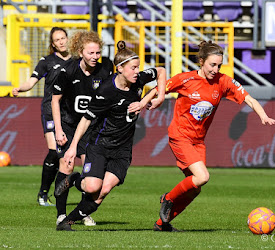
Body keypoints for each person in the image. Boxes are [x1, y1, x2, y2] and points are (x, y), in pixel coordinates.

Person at [152, 40, 275, 232]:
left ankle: (162, 224)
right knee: (202, 176)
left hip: (198, 141)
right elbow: (158, 89)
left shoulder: (223, 81)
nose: (216, 69)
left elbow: (249, 98)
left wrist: (263, 115)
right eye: (212, 64)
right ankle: (167, 198)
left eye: (219, 65)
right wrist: (148, 100)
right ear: (201, 61)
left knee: (195, 187)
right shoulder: (185, 79)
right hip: (180, 136)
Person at [54, 40, 166, 231]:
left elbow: (162, 71)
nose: (137, 71)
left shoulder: (138, 79)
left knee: (102, 191)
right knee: (91, 188)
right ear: (120, 68)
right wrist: (72, 147)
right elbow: (86, 119)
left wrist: (155, 97)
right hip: (100, 144)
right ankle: (74, 180)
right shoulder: (106, 91)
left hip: (122, 149)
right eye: (133, 68)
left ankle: (67, 223)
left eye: (138, 67)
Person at [51, 30, 113, 227]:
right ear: (80, 52)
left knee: (90, 175)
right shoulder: (67, 71)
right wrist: (58, 130)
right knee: (66, 165)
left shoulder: (105, 70)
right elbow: (55, 100)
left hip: (93, 130)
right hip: (69, 126)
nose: (95, 57)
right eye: (90, 53)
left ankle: (82, 212)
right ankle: (61, 214)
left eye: (97, 53)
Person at [12, 27, 72, 206]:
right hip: (49, 110)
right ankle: (43, 193)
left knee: (65, 155)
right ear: (53, 44)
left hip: (69, 113)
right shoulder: (47, 61)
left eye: (63, 38)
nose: (61, 41)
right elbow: (31, 81)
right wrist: (19, 88)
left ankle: (57, 190)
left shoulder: (77, 61)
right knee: (54, 151)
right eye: (57, 40)